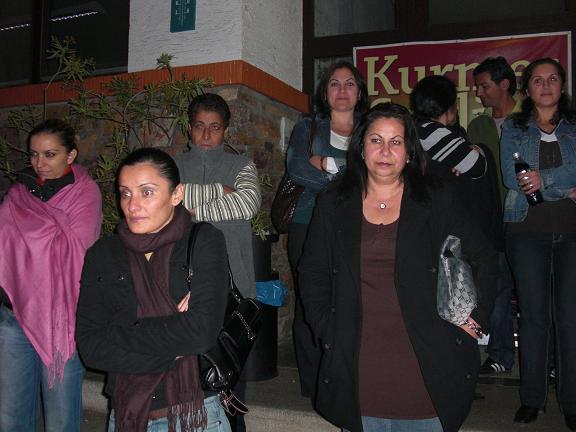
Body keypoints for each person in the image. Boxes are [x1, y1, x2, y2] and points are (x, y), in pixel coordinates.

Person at [298, 103, 497, 432]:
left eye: (396, 141)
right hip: (357, 371)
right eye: (376, 140)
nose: (385, 151)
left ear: (409, 151)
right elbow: (313, 272)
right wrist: (327, 327)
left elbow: (484, 256)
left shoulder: (436, 198)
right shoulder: (334, 201)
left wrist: (476, 321)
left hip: (428, 369)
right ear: (361, 147)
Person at [76, 148, 231, 432]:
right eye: (125, 193)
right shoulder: (103, 254)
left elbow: (201, 332)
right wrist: (173, 349)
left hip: (195, 414)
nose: (132, 205)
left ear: (176, 194)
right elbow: (91, 347)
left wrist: (119, 331)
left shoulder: (202, 241)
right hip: (126, 412)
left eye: (146, 192)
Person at [0, 119, 103, 431]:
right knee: (11, 416)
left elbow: (77, 249)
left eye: (50, 154)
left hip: (61, 319)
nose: (39, 163)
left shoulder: (85, 194)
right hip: (14, 314)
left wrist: (30, 239)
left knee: (60, 418)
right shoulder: (18, 193)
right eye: (34, 154)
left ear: (70, 155)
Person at [174, 93, 261, 431]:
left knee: (229, 379)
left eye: (214, 127)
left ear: (225, 130)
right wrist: (219, 191)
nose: (206, 135)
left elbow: (247, 203)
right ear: (189, 128)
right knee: (187, 381)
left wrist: (189, 208)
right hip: (182, 290)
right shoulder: (171, 167)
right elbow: (163, 204)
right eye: (199, 126)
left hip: (234, 289)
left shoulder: (242, 166)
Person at [500, 58, 576, 431]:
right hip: (526, 231)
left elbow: (532, 180)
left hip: (572, 232)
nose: (545, 85)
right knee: (533, 317)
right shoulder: (513, 129)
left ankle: (571, 401)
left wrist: (542, 181)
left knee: (570, 318)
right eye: (537, 80)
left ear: (563, 85)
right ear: (527, 88)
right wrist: (566, 186)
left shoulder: (574, 127)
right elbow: (512, 178)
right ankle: (532, 398)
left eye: (553, 79)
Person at [286, 60, 369, 398]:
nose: (342, 90)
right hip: (309, 223)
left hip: (360, 226)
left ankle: (350, 374)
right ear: (325, 92)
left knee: (354, 299)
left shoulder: (371, 128)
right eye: (335, 83)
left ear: (359, 92)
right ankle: (313, 383)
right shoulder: (308, 129)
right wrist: (349, 181)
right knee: (311, 301)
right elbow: (297, 169)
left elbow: (380, 170)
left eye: (350, 84)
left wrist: (329, 164)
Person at [468, 57, 521, 375]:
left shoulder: (528, 121)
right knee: (497, 287)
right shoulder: (478, 127)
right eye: (477, 87)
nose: (479, 93)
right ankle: (500, 354)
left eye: (484, 86)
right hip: (492, 221)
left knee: (537, 289)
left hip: (527, 219)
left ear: (504, 84)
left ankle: (552, 360)